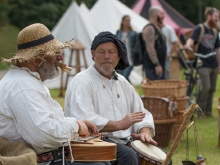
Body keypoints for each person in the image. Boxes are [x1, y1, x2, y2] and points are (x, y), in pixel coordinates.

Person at [0, 23, 106, 165]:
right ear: (35, 58)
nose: (60, 57)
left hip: (50, 157)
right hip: (43, 161)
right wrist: (77, 127)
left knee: (103, 159)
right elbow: (43, 135)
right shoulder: (23, 87)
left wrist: (77, 122)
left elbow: (49, 122)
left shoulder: (26, 81)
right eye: (54, 53)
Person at [64, 31, 158, 165]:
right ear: (93, 54)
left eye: (111, 52)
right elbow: (83, 120)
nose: (107, 56)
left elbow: (141, 114)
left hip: (125, 141)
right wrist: (119, 124)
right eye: (101, 52)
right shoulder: (82, 81)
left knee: (164, 159)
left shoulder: (123, 81)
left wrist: (145, 132)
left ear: (119, 56)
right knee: (128, 156)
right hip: (92, 143)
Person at [184, 7, 220, 118]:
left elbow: (217, 49)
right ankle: (199, 111)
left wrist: (219, 64)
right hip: (202, 63)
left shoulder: (214, 31)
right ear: (209, 16)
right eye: (215, 17)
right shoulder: (200, 28)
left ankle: (208, 112)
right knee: (206, 87)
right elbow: (192, 40)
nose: (217, 19)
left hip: (213, 63)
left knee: (212, 89)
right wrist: (188, 45)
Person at [142, 6, 167, 80]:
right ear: (155, 15)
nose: (163, 16)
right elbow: (150, 48)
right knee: (154, 91)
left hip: (159, 66)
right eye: (161, 14)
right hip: (153, 67)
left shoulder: (157, 27)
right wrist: (157, 65)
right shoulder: (150, 28)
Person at [116, 15, 136, 82]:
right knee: (120, 78)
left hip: (129, 60)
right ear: (122, 21)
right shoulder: (118, 33)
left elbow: (136, 47)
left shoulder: (133, 33)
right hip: (120, 60)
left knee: (124, 77)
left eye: (129, 21)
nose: (128, 22)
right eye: (126, 20)